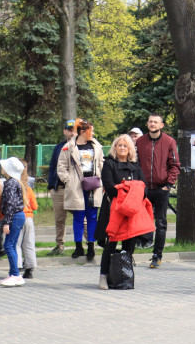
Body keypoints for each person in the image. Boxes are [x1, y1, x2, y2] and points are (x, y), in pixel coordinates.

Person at [96, 135, 146, 289]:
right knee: (111, 243)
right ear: (115, 148)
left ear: (130, 148)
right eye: (120, 145)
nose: (122, 148)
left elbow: (143, 187)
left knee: (129, 245)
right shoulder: (109, 164)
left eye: (125, 145)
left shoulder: (135, 166)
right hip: (114, 210)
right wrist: (129, 191)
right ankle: (103, 276)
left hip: (131, 211)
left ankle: (124, 276)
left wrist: (130, 192)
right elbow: (110, 187)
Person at [135, 113, 181, 268]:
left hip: (161, 188)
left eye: (155, 122)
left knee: (160, 222)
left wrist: (168, 184)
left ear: (161, 125)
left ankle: (157, 255)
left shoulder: (169, 141)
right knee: (140, 220)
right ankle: (132, 251)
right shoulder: (140, 142)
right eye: (150, 121)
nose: (152, 124)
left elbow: (175, 165)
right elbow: (136, 163)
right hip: (144, 188)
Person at [56, 119, 104, 261]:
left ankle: (91, 246)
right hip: (77, 186)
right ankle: (78, 246)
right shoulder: (69, 147)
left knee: (92, 217)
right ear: (83, 132)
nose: (93, 133)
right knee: (78, 216)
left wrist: (102, 180)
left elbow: (102, 164)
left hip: (93, 185)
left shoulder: (96, 146)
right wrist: (69, 180)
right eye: (91, 131)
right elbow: (61, 167)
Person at [46, 120, 76, 255]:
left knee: (82, 218)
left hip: (75, 190)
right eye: (69, 130)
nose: (72, 132)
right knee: (59, 219)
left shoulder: (81, 146)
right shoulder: (59, 147)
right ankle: (59, 246)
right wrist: (51, 186)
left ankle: (88, 244)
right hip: (59, 189)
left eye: (75, 130)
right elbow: (53, 166)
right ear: (65, 131)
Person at [0, 157, 27, 287]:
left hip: (14, 216)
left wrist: (7, 222)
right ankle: (13, 273)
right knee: (12, 244)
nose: (1, 168)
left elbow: (10, 204)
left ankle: (15, 274)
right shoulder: (16, 182)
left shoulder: (10, 184)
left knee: (8, 245)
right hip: (19, 216)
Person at [18, 159, 38, 279]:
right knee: (29, 243)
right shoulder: (28, 188)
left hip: (17, 217)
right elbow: (35, 206)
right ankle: (30, 268)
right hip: (29, 218)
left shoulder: (11, 185)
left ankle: (17, 266)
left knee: (16, 243)